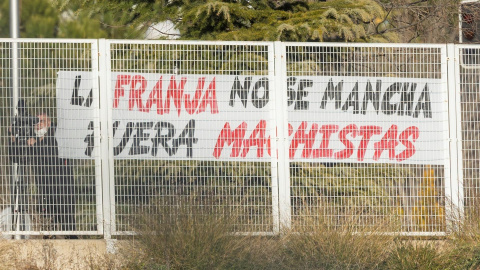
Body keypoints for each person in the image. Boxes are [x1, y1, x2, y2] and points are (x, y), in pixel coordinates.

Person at [9, 113, 78, 239]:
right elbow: (15, 157)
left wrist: (35, 145)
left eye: (42, 121)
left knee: (67, 221)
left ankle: (72, 243)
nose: (38, 124)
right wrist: (13, 137)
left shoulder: (57, 135)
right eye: (36, 122)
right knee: (48, 224)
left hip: (62, 184)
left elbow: (52, 155)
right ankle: (49, 245)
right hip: (44, 186)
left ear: (49, 123)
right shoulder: (32, 138)